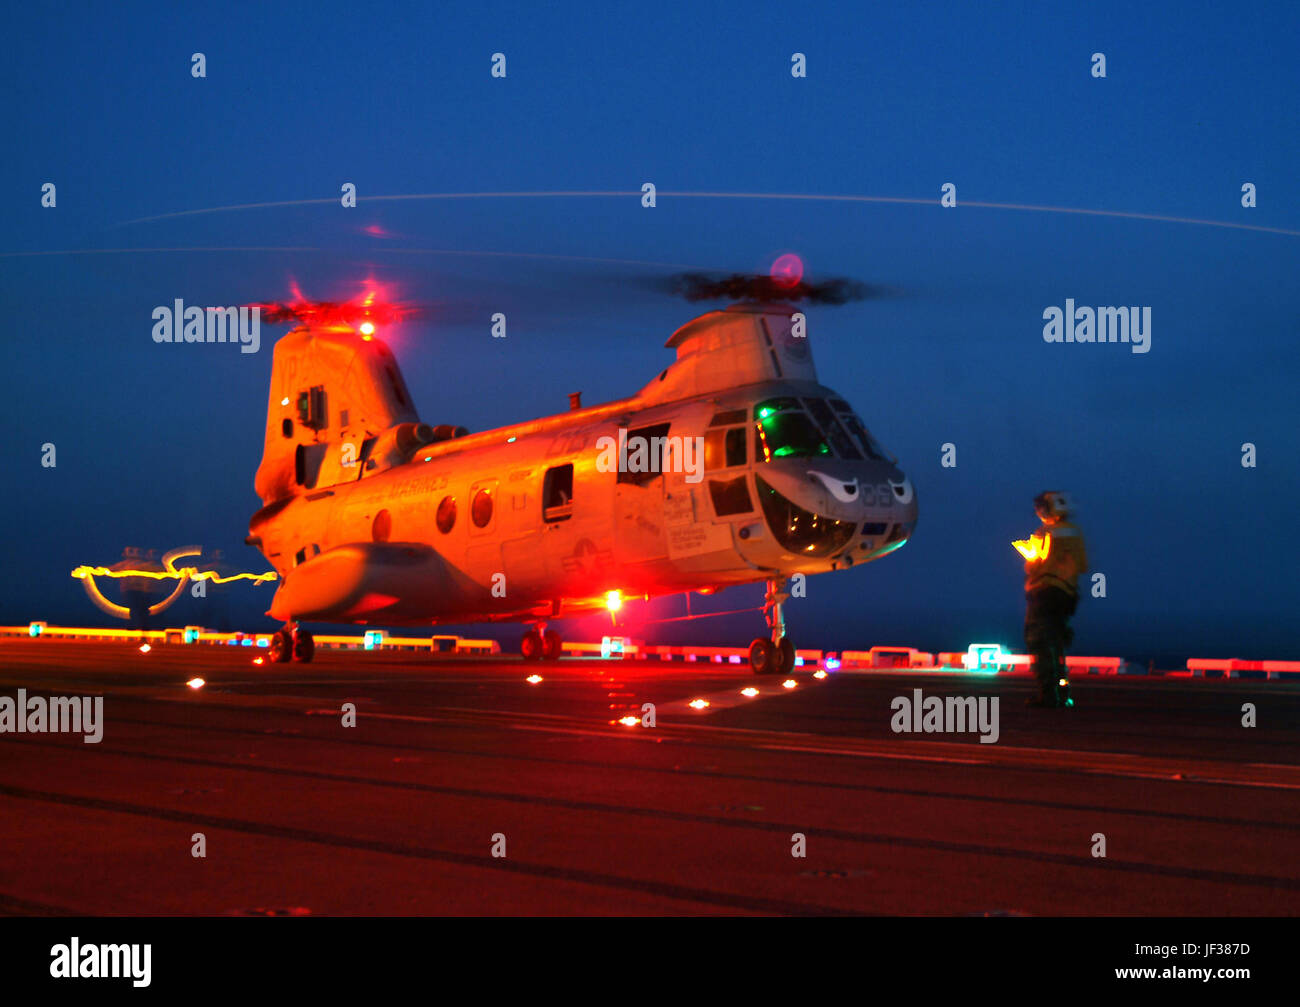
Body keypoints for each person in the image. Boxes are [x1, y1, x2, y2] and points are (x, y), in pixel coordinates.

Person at [1016, 491, 1088, 708]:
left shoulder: (1044, 532)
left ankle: (1049, 695)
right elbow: (1082, 565)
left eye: (1040, 508)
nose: (1039, 513)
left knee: (1039, 641)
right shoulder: (1075, 532)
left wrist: (1029, 556)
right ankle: (1063, 692)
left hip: (1043, 593)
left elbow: (1034, 564)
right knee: (1058, 642)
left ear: (1048, 509)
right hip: (1067, 594)